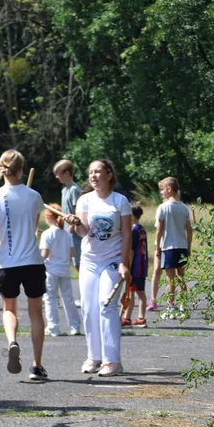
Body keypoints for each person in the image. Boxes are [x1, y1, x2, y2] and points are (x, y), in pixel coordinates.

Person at [0, 150, 48, 382]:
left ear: (1, 169)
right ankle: (36, 365)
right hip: (32, 261)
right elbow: (34, 227)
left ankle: (12, 341)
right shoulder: (34, 196)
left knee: (9, 309)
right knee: (36, 313)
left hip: (6, 262)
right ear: (21, 170)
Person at [64, 159, 132, 377]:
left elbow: (127, 234)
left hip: (112, 259)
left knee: (107, 305)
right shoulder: (84, 200)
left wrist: (124, 262)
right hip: (90, 260)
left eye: (98, 171)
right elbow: (83, 232)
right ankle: (94, 356)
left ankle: (113, 361)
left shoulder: (120, 201)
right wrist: (75, 223)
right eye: (90, 172)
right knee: (88, 307)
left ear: (109, 174)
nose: (93, 176)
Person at [38, 208, 80, 337]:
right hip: (64, 269)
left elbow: (44, 254)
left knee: (50, 298)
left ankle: (53, 328)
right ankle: (75, 327)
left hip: (51, 270)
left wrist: (36, 258)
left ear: (49, 217)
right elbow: (72, 253)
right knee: (68, 298)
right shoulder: (66, 234)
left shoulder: (47, 234)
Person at [155, 177, 192, 312]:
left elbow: (159, 229)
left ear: (169, 190)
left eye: (162, 190)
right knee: (181, 277)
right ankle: (184, 304)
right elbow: (189, 229)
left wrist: (157, 246)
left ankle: (171, 305)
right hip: (182, 246)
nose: (161, 193)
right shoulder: (184, 207)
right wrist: (188, 247)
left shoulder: (163, 207)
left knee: (170, 278)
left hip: (169, 247)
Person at [121, 202, 149, 328]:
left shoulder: (132, 231)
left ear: (131, 216)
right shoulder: (142, 229)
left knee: (130, 293)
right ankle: (141, 317)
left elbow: (131, 251)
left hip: (135, 267)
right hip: (142, 266)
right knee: (141, 293)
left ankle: (127, 318)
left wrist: (128, 267)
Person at [53, 159, 82, 270]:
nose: (56, 177)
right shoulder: (64, 190)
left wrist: (71, 228)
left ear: (67, 173)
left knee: (78, 262)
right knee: (71, 262)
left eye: (58, 173)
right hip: (67, 232)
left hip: (75, 234)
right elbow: (65, 212)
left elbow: (78, 213)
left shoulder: (74, 190)